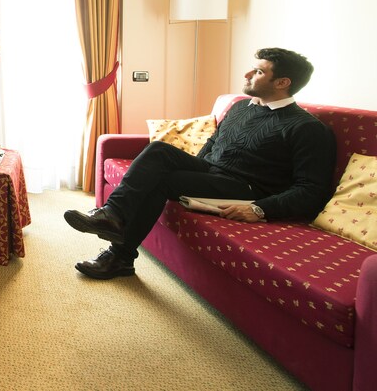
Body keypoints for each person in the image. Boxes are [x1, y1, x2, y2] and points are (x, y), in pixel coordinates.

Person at [64, 47, 335, 280]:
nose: (247, 74)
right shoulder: (242, 107)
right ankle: (111, 214)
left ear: (282, 82)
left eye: (258, 72)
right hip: (213, 173)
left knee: (162, 181)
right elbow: (212, 144)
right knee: (158, 150)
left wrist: (259, 208)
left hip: (245, 188)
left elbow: (311, 190)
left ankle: (119, 256)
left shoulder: (306, 128)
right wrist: (191, 170)